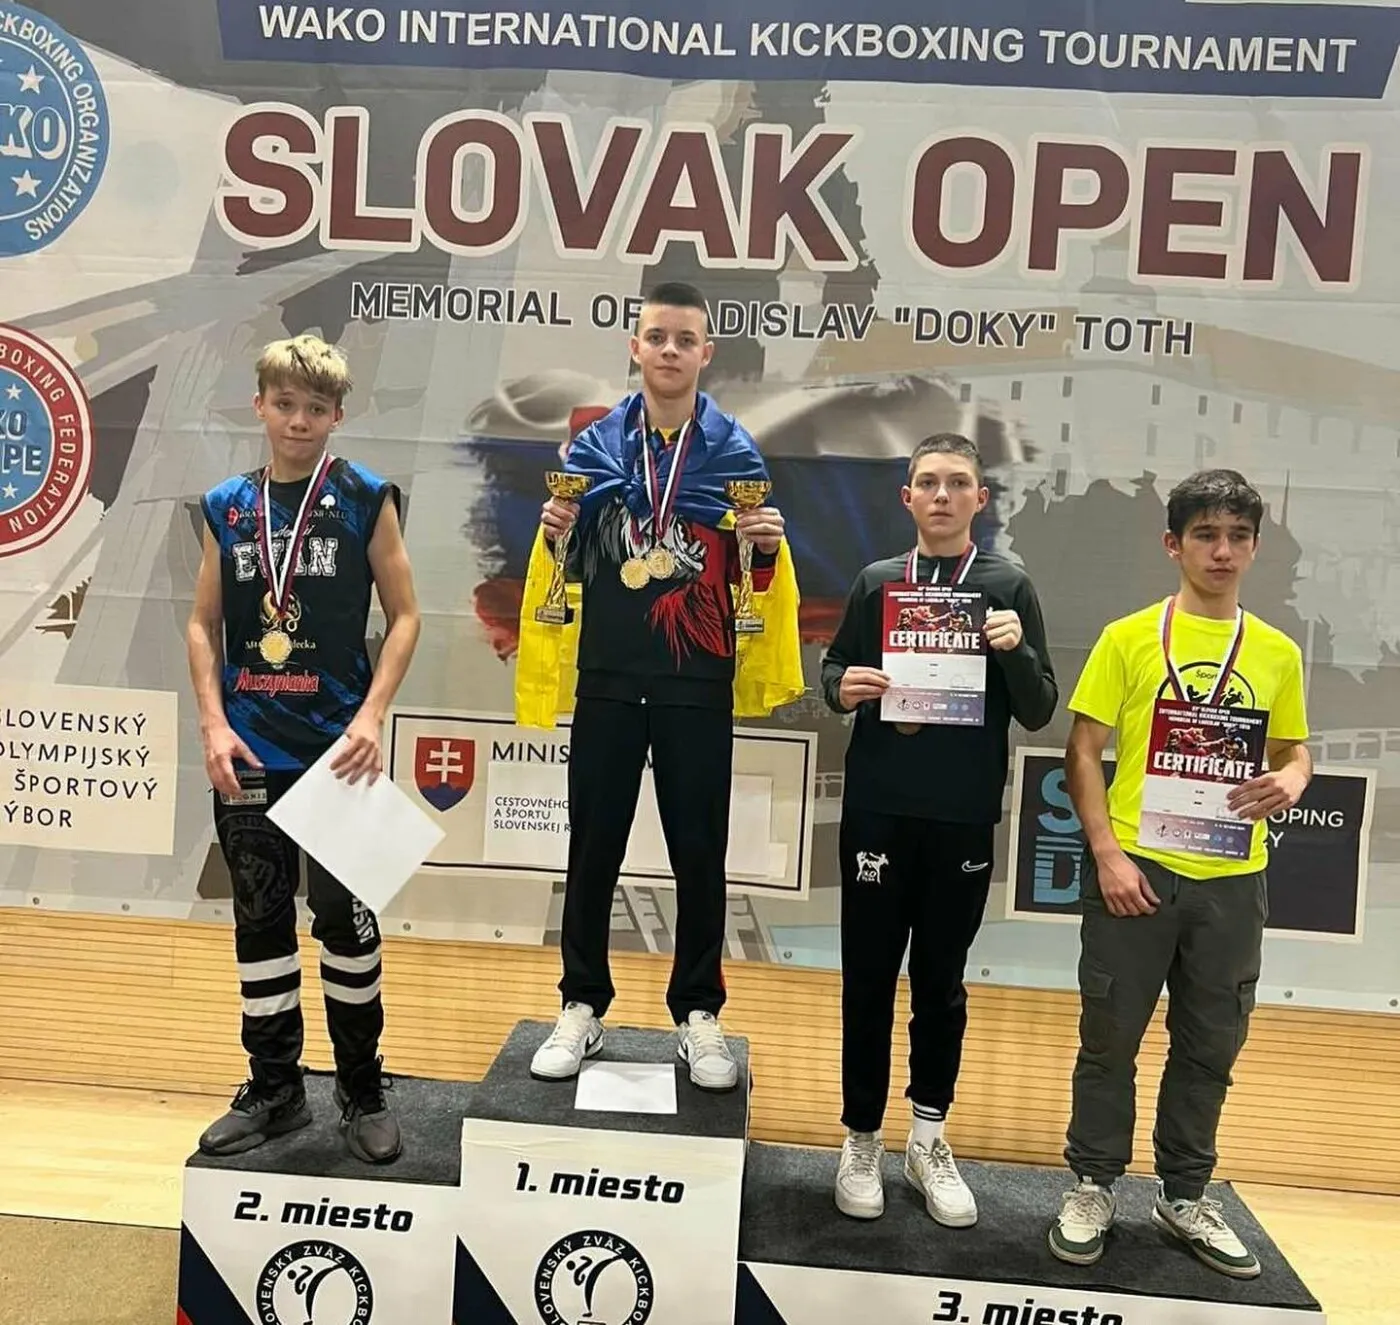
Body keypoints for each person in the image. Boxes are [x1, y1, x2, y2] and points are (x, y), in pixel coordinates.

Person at [515, 281, 803, 1090]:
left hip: (695, 678)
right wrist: (555, 539)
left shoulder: (735, 454)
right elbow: (570, 569)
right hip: (609, 676)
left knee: (700, 853)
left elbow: (750, 582)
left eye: (685, 339)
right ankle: (581, 1002)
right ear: (634, 347)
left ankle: (699, 1011)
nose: (670, 350)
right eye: (657, 337)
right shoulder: (594, 448)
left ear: (707, 352)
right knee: (591, 848)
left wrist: (766, 550)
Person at [1048, 469, 1311, 1278]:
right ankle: (1093, 1184)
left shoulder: (1277, 651)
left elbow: (1293, 748)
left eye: (1237, 537)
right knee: (1109, 1041)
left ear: (1255, 548)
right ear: (1174, 544)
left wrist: (1295, 777)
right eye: (1205, 535)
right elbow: (1082, 750)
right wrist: (1108, 855)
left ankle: (1185, 1194)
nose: (1222, 550)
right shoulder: (1129, 637)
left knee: (1210, 1045)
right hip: (1138, 870)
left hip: (1232, 878)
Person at [186, 334, 421, 1163]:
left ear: (336, 416)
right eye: (284, 404)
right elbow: (202, 623)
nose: (297, 420)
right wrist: (214, 724)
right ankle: (276, 1091)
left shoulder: (364, 496)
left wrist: (372, 717)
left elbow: (407, 616)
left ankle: (361, 1087)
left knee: (348, 930)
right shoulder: (227, 505)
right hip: (249, 751)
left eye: (314, 408)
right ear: (259, 405)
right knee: (260, 928)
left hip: (338, 754)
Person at [821, 434, 1057, 1225]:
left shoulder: (1007, 585)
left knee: (941, 983)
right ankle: (861, 1136)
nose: (943, 495)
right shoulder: (877, 581)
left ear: (980, 499)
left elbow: (1039, 707)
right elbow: (835, 667)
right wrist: (842, 686)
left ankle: (928, 1138)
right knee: (867, 978)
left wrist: (1015, 653)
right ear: (908, 497)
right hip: (878, 809)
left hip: (961, 815)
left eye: (959, 482)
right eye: (928, 482)